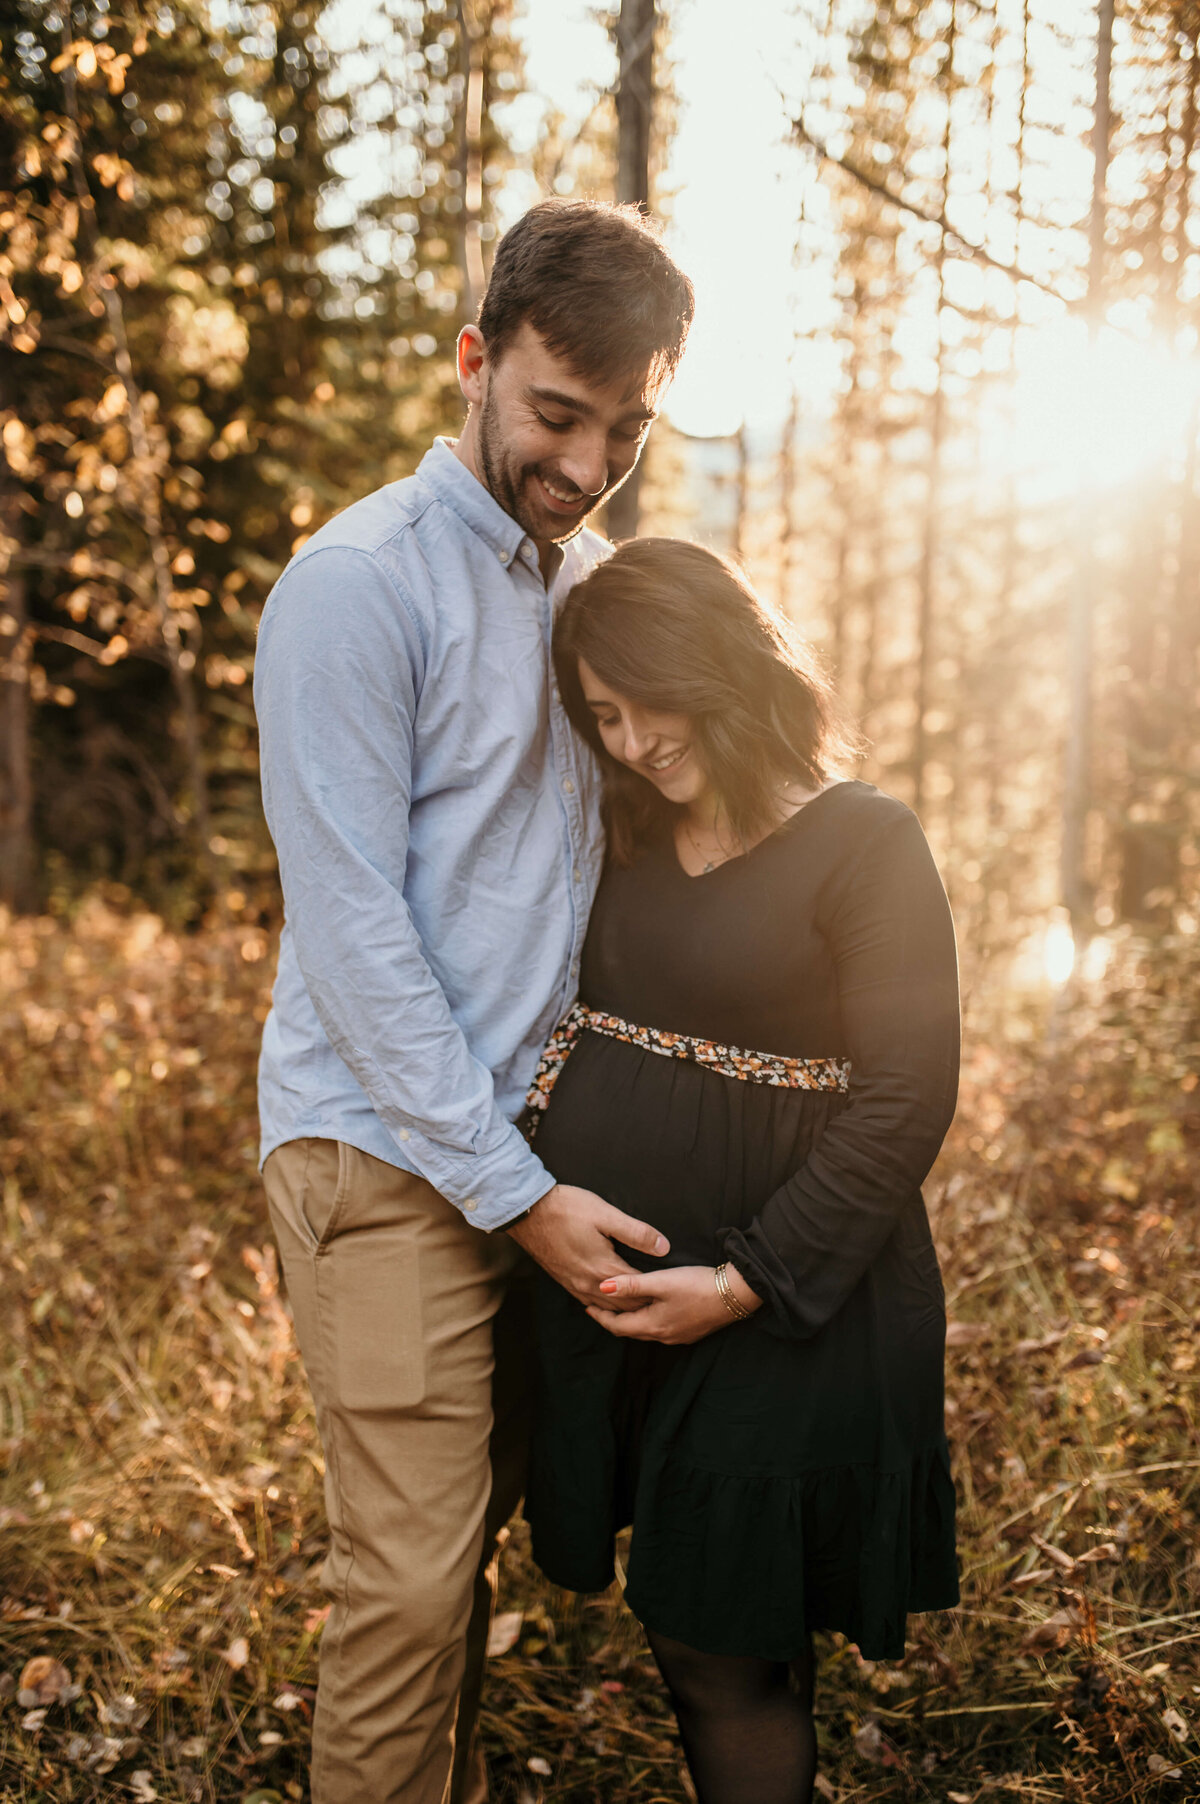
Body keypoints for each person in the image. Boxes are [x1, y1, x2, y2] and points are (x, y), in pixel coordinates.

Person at [253, 201, 694, 1804]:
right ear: (472, 362)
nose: (585, 467)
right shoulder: (358, 588)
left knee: (470, 1562)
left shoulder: (588, 591)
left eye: (624, 430)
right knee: (413, 1589)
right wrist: (515, 1196)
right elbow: (357, 932)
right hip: (386, 1156)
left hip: (527, 1156)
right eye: (555, 415)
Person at [521, 538, 961, 1804]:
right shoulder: (622, 830)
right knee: (730, 1629)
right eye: (601, 715)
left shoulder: (865, 841)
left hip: (790, 1301)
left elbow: (905, 1097)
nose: (634, 738)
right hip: (628, 1297)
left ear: (726, 665)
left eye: (650, 700)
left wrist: (742, 1283)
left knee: (713, 1642)